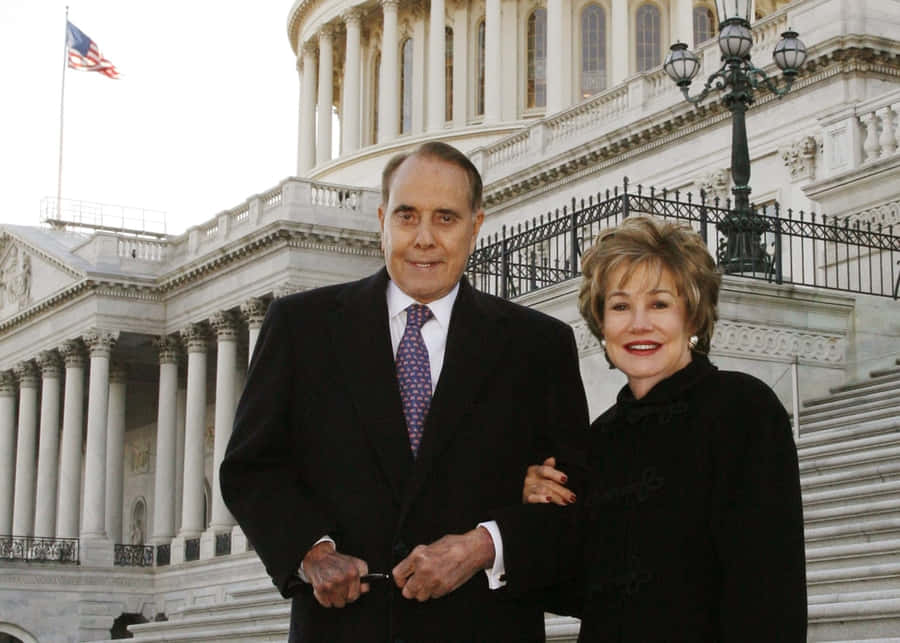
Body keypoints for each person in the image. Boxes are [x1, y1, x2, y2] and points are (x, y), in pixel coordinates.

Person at [220, 141, 589, 643]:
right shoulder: (301, 327)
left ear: (476, 226)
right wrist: (311, 552)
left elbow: (571, 503)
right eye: (407, 215)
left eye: (445, 218)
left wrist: (485, 546)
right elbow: (251, 467)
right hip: (343, 630)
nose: (424, 239)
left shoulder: (538, 345)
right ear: (382, 219)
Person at [520, 215, 807, 641]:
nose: (639, 324)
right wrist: (537, 507)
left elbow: (769, 597)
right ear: (601, 325)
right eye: (620, 306)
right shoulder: (598, 439)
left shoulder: (743, 410)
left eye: (659, 304)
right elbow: (575, 591)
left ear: (692, 317)